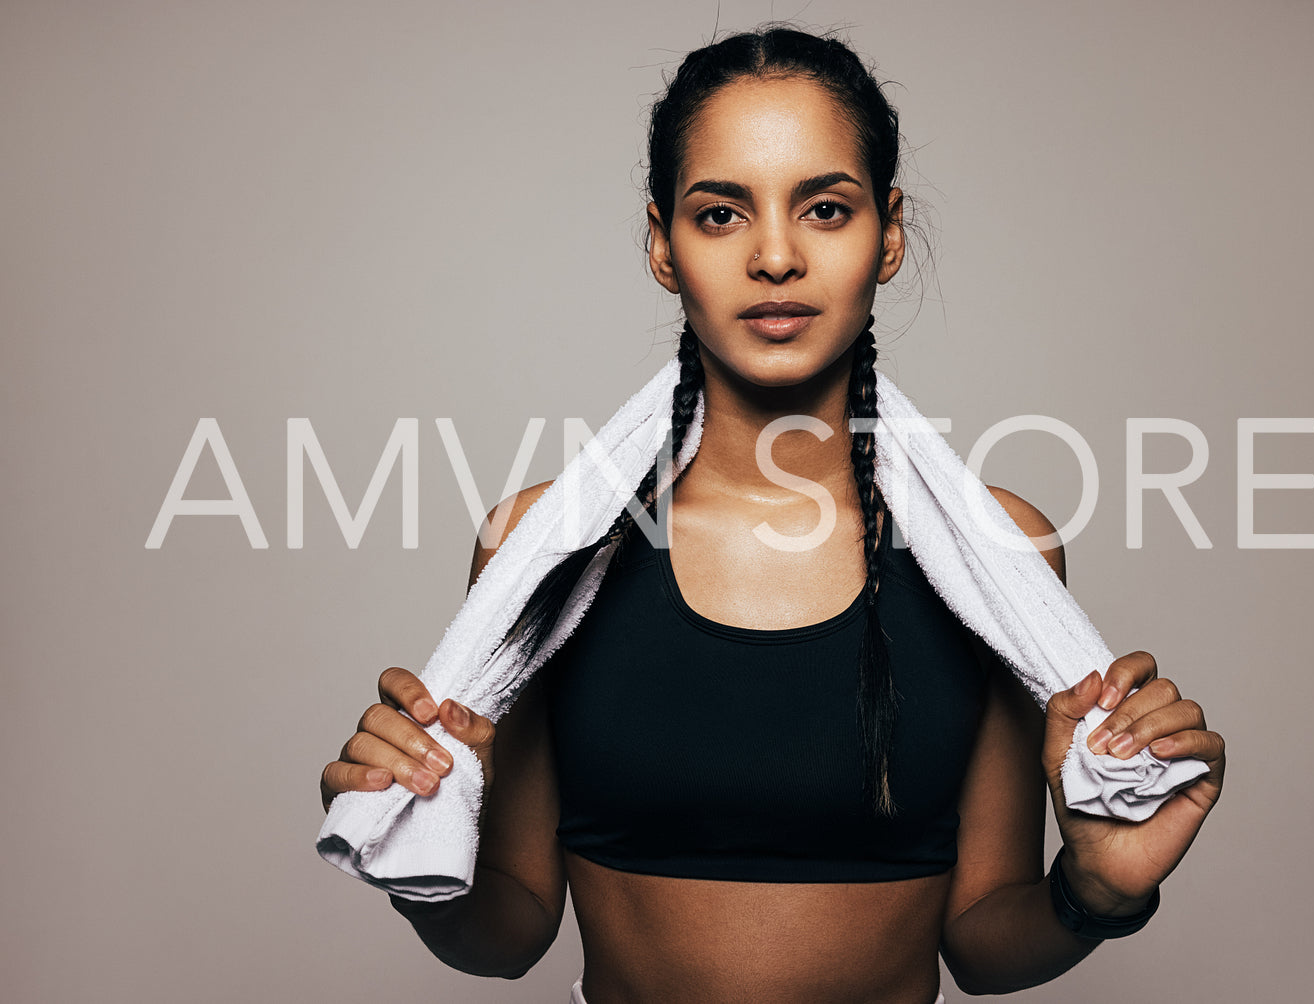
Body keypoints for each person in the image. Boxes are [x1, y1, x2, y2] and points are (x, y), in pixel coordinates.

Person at [318, 26, 1225, 1004]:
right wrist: (409, 840)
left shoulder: (999, 551)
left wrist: (1093, 890)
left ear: (887, 234)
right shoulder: (545, 545)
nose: (776, 256)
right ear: (661, 244)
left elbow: (983, 940)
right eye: (720, 214)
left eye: (824, 208)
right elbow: (507, 931)